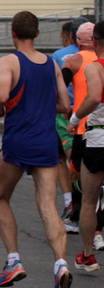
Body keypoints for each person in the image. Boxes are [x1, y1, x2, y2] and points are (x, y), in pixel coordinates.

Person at [0, 11, 72, 288]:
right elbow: (65, 105)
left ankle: (13, 261)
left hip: (18, 140)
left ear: (12, 33)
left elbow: (1, 96)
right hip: (46, 141)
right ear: (37, 34)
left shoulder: (9, 61)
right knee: (48, 204)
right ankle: (61, 264)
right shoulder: (51, 64)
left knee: (0, 197)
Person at [68, 19, 104, 273]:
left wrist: (74, 118)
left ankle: (88, 255)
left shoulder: (95, 67)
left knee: (90, 201)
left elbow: (93, 97)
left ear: (95, 42)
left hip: (98, 139)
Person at [62, 21, 98, 231]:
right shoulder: (101, 62)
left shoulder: (73, 61)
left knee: (76, 172)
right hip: (101, 125)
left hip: (81, 126)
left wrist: (66, 109)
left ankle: (75, 215)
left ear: (78, 40)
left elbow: (59, 86)